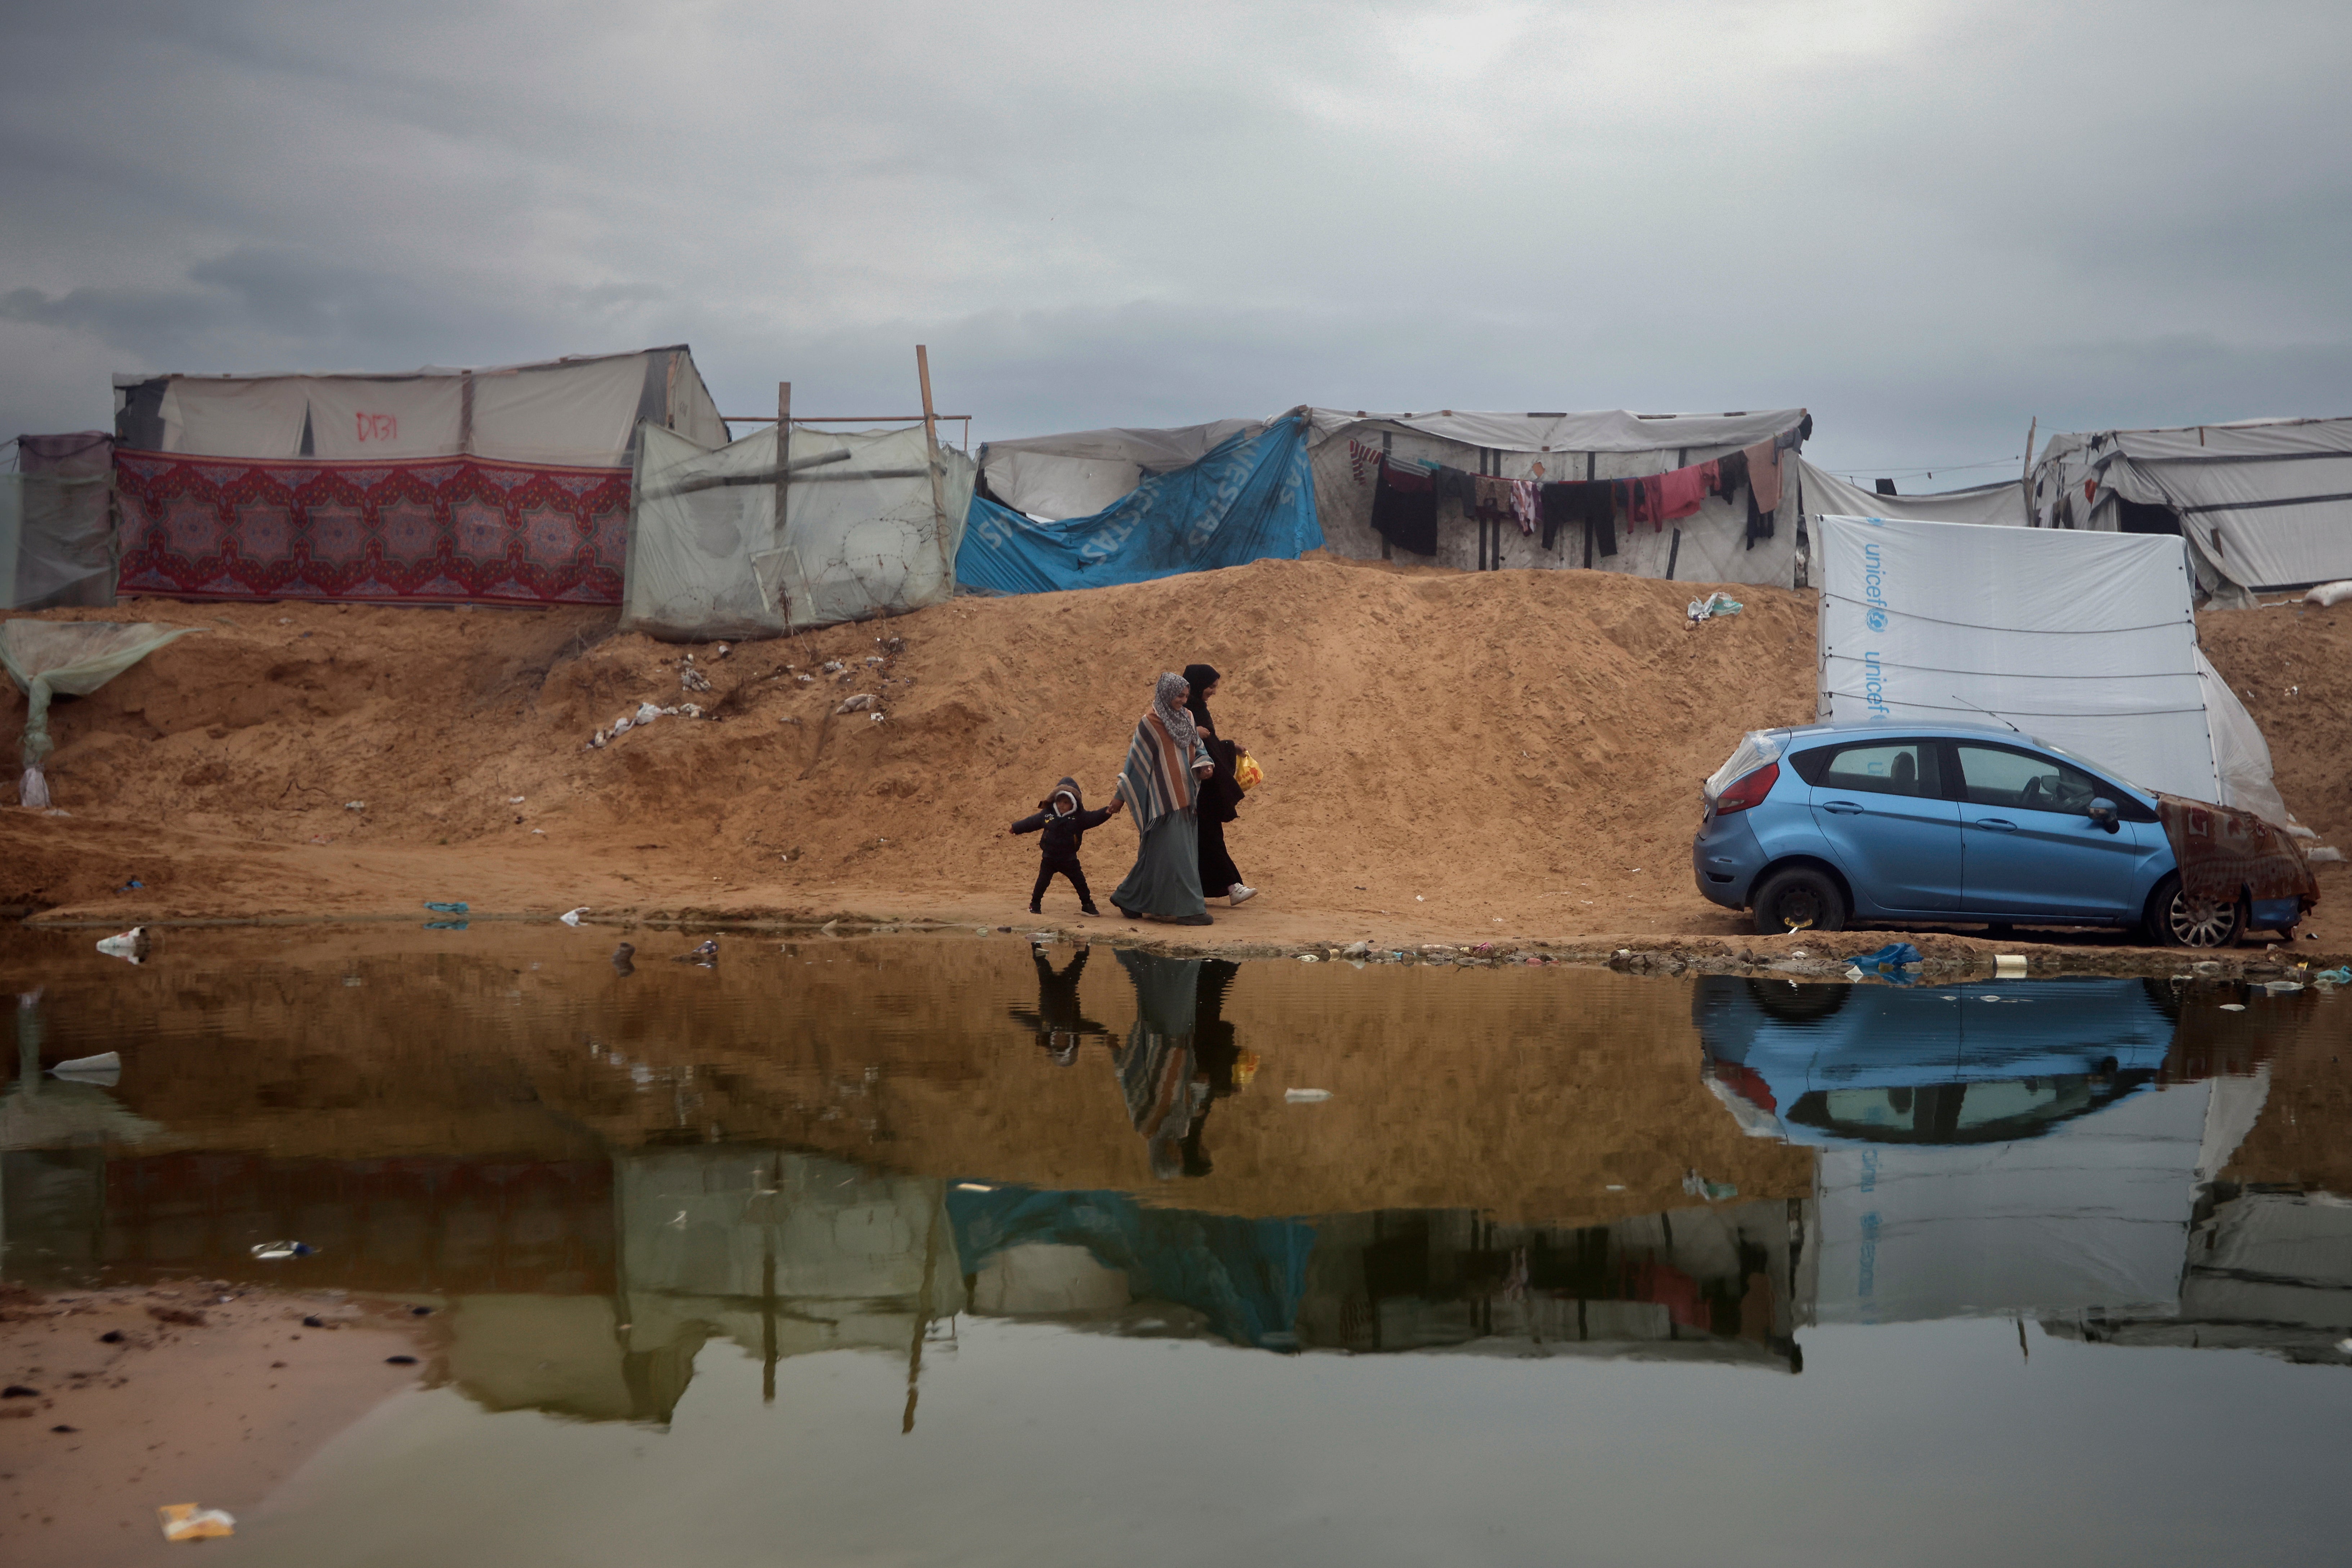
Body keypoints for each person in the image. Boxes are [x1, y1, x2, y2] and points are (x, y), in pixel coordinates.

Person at [1110, 673, 1217, 926]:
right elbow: (1135, 763)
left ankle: (1129, 898)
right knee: (1178, 856)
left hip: (1187, 796)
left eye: (1186, 696)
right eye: (1179, 695)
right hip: (1162, 799)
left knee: (1159, 854)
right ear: (1166, 694)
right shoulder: (1150, 723)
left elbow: (1198, 747)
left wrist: (1205, 764)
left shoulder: (1188, 717)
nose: (1182, 700)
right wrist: (1120, 798)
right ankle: (1189, 909)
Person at [1182, 662, 1256, 907]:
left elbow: (1208, 742)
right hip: (1194, 788)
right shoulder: (1184, 711)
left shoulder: (1198, 708)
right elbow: (1175, 740)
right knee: (1210, 837)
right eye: (1211, 687)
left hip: (1207, 786)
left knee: (1208, 838)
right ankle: (1233, 887)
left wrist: (1228, 747)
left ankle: (1225, 887)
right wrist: (1194, 731)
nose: (1213, 691)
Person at [1009, 775, 1122, 915]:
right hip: (1049, 857)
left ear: (1074, 803)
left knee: (1080, 883)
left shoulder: (1080, 818)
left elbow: (1094, 817)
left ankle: (1087, 904)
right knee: (1042, 883)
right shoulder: (1048, 815)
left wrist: (1107, 812)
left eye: (1066, 802)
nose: (1062, 805)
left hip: (1069, 859)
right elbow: (1032, 822)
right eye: (1059, 801)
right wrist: (1017, 828)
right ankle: (1035, 904)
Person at [1007, 941, 1110, 1065]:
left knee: (1040, 959)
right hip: (1068, 985)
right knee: (1080, 960)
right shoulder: (1075, 1028)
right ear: (1071, 1042)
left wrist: (1015, 1015)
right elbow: (1091, 1029)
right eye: (1064, 1042)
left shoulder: (1045, 1029)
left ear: (1052, 1044)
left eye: (1057, 1043)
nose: (1060, 1038)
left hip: (1048, 985)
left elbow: (1029, 1022)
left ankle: (1036, 937)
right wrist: (1104, 1034)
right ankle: (1082, 938)